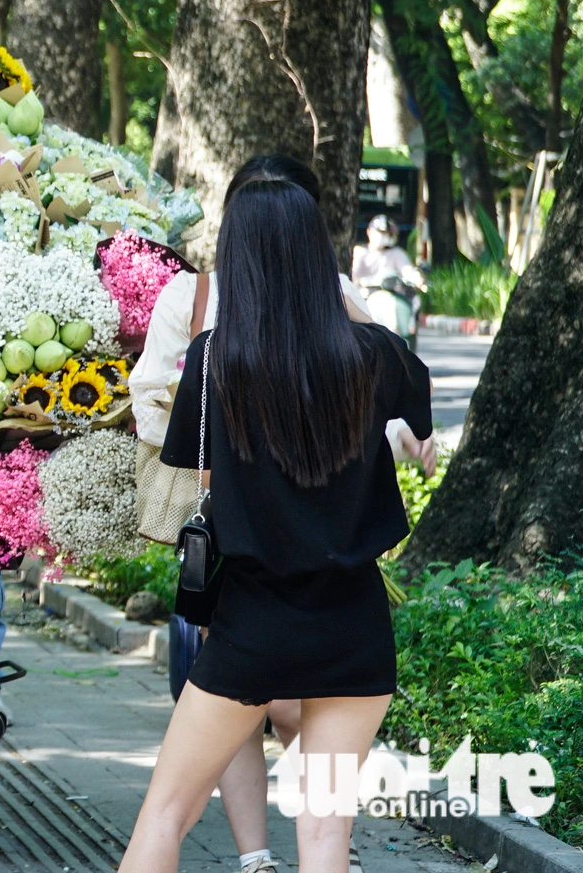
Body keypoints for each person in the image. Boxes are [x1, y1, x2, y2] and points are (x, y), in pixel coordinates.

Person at [128, 154, 435, 873]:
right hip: (356, 629)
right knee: (326, 837)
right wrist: (343, 304)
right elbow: (418, 414)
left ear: (238, 254)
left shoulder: (213, 360)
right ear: (318, 256)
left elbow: (200, 477)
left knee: (166, 815)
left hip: (252, 625)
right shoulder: (371, 357)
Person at [351, 214, 425, 339]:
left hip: (394, 295)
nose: (381, 236)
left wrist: (418, 279)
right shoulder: (359, 252)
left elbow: (407, 270)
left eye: (385, 233)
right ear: (369, 231)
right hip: (364, 297)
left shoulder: (396, 253)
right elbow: (353, 276)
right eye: (378, 232)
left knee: (412, 305)